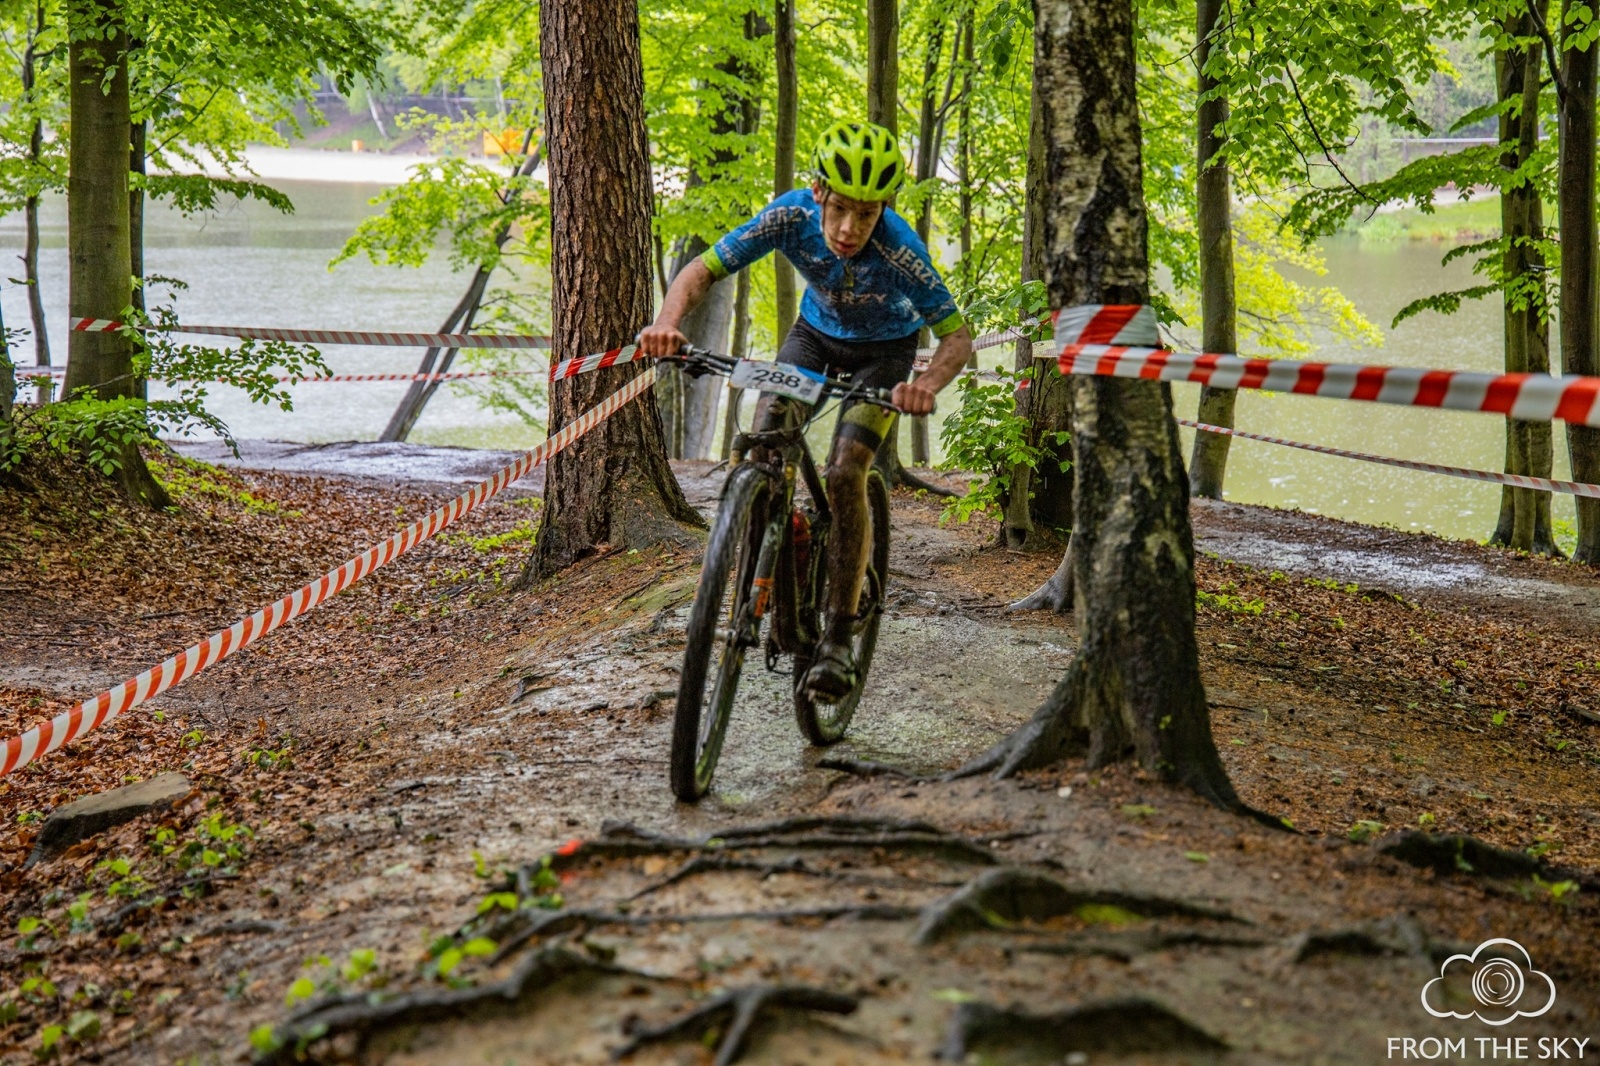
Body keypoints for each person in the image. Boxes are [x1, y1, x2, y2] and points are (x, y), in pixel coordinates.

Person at [639, 120, 974, 699]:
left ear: (883, 210)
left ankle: (841, 637)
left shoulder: (900, 248)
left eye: (866, 215)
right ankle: (769, 577)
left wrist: (929, 385)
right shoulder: (790, 217)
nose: (850, 229)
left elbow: (957, 338)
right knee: (765, 442)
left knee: (846, 471)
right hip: (813, 338)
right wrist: (667, 323)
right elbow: (702, 271)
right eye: (841, 208)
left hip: (886, 353)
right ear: (818, 191)